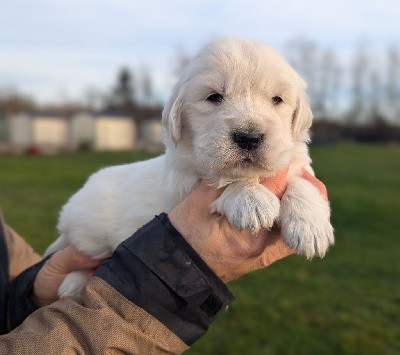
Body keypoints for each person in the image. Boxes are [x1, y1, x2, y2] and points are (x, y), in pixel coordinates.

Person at [0, 169, 328, 354]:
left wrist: (31, 294)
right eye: (214, 98)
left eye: (277, 100)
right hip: (95, 223)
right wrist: (167, 279)